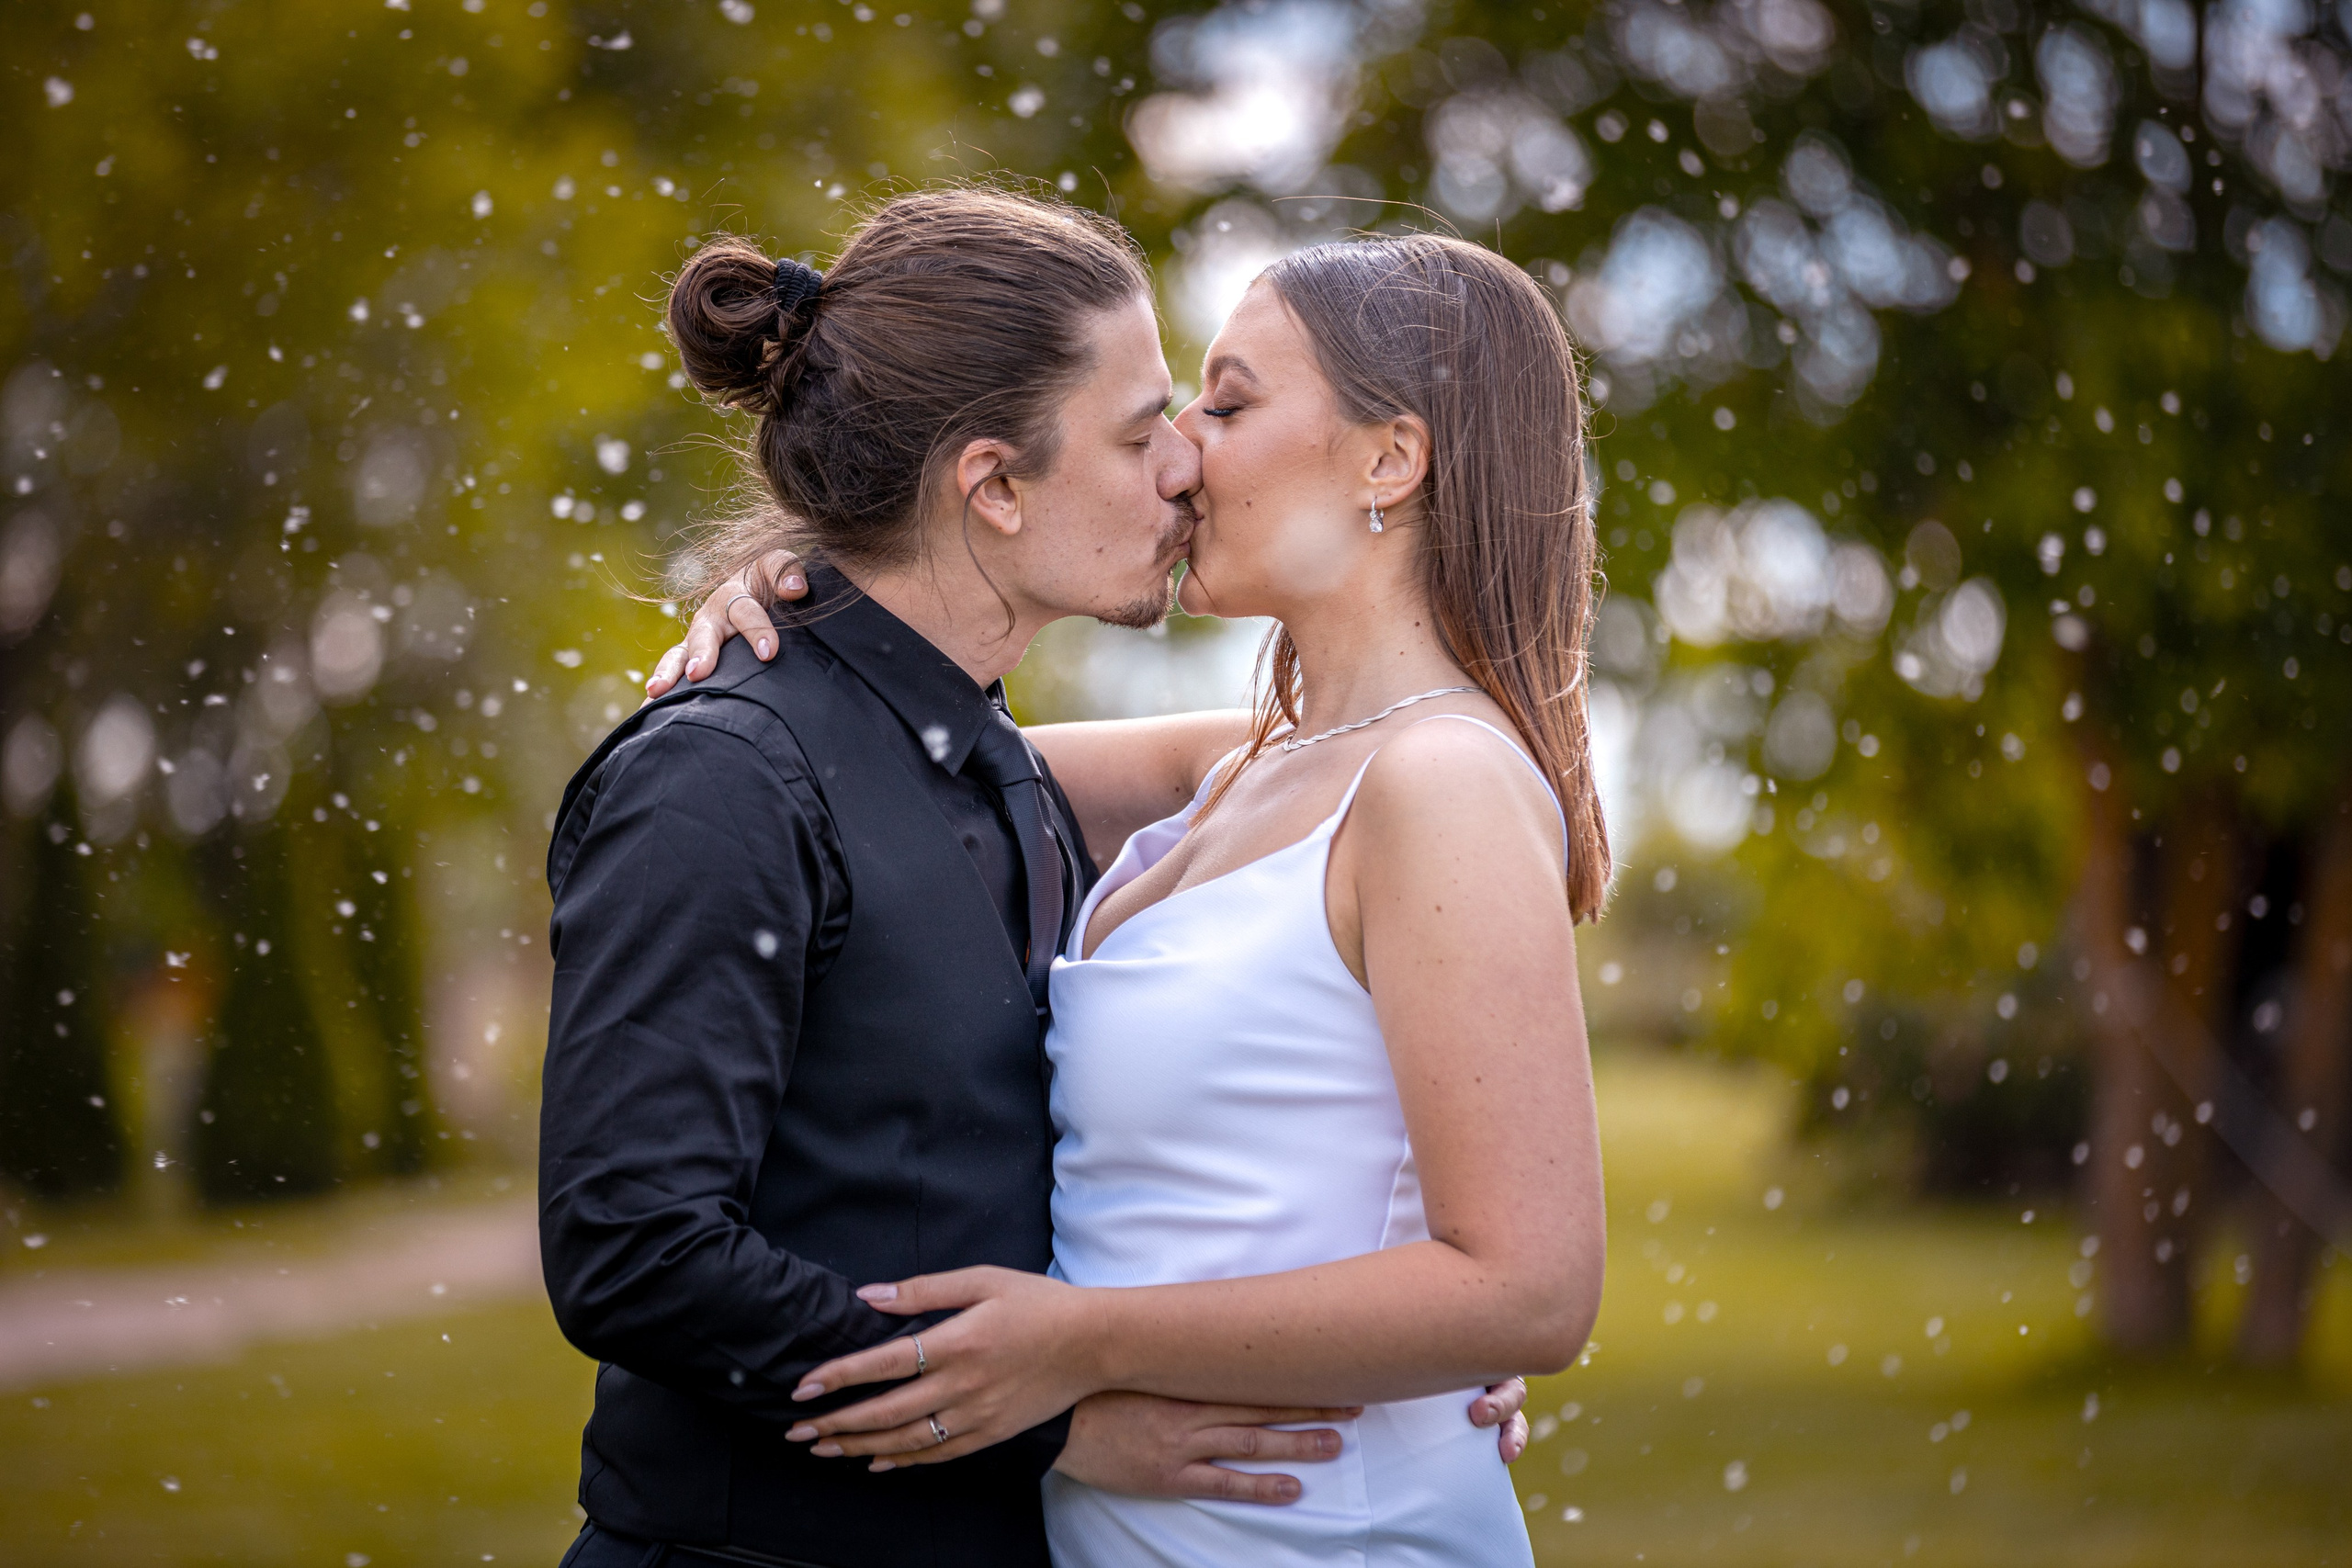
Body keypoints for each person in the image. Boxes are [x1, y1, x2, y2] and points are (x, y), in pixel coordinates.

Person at [542, 186, 1526, 1568]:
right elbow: (634, 1251)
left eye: (1201, 413)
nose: (1184, 466)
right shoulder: (723, 779)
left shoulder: (989, 763)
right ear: (994, 486)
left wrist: (1417, 1328)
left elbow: (1372, 771)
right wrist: (1047, 1423)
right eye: (1142, 431)